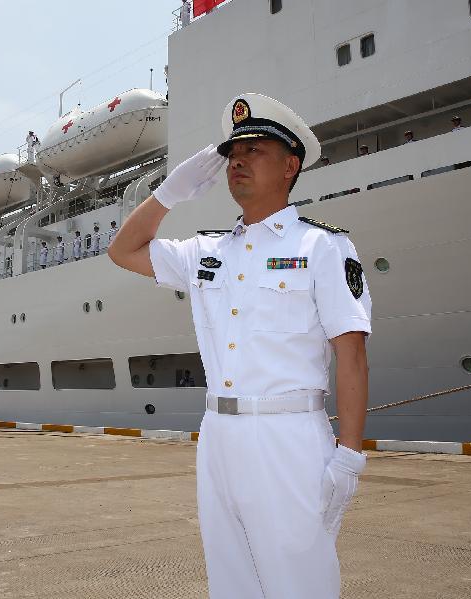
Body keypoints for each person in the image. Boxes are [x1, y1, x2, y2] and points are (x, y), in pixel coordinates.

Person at [107, 92, 372, 599]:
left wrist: (349, 454)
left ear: (291, 165)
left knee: (299, 581)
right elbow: (123, 250)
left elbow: (352, 355)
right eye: (233, 154)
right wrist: (168, 194)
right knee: (231, 582)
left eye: (256, 151)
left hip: (288, 435)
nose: (239, 162)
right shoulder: (207, 252)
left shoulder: (321, 247)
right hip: (218, 435)